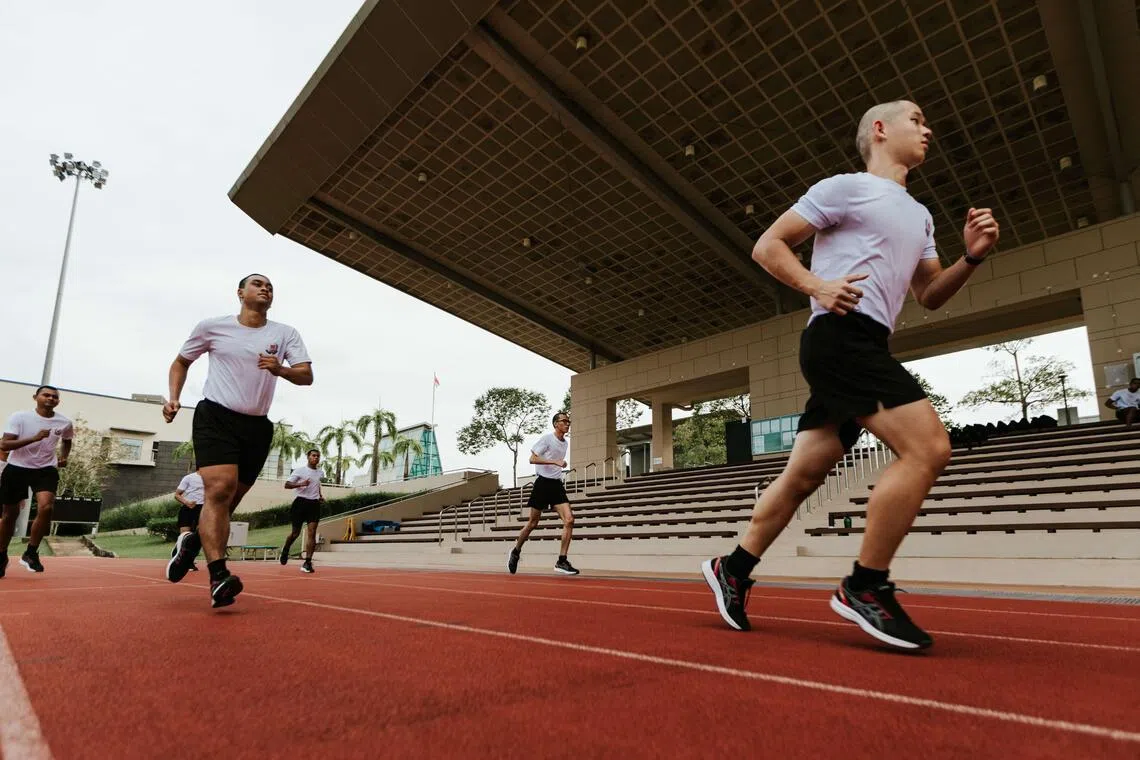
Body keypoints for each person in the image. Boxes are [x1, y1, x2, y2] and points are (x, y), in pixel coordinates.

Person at [702, 100, 999, 650]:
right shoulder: (844, 187)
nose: (927, 128)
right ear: (881, 130)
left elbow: (929, 295)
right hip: (839, 335)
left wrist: (972, 259)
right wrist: (818, 286)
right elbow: (767, 245)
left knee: (802, 476)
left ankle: (733, 568)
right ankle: (865, 586)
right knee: (929, 448)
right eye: (916, 119)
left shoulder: (922, 215)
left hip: (864, 341)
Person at [163, 273, 313, 608]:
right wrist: (173, 397)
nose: (265, 288)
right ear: (240, 292)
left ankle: (188, 543)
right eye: (258, 283)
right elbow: (181, 361)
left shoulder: (285, 333)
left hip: (257, 427)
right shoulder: (212, 327)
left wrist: (281, 370)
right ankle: (219, 576)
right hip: (215, 416)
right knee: (220, 489)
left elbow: (306, 375)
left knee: (226, 504)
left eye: (270, 285)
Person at [0, 386, 73, 575]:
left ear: (58, 401)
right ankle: (1, 554)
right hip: (17, 468)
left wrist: (64, 456)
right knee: (9, 515)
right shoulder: (19, 417)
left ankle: (31, 553)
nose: (50, 398)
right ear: (36, 397)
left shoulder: (64, 422)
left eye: (55, 397)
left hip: (45, 469)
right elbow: (4, 444)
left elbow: (67, 439)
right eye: (46, 395)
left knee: (47, 507)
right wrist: (34, 438)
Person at [508, 412, 578, 576]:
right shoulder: (547, 439)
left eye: (569, 421)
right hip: (542, 484)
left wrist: (559, 464)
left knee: (569, 520)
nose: (568, 424)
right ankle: (516, 551)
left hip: (556, 485)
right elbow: (532, 459)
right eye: (564, 421)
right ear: (556, 424)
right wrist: (554, 462)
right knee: (532, 523)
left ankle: (562, 560)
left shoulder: (565, 443)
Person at [281, 448, 323, 573]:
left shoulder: (320, 473)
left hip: (314, 504)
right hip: (300, 503)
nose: (316, 458)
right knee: (295, 533)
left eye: (318, 456)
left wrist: (320, 495)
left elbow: (317, 484)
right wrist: (301, 484)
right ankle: (286, 548)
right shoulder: (300, 471)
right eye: (314, 456)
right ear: (308, 457)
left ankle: (307, 562)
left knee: (312, 532)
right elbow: (287, 485)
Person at [173, 467, 204, 572]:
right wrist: (187, 502)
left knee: (200, 536)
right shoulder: (189, 478)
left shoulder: (212, 478)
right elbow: (177, 495)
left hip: (203, 509)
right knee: (185, 536)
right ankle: (179, 556)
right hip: (188, 508)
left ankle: (189, 561)